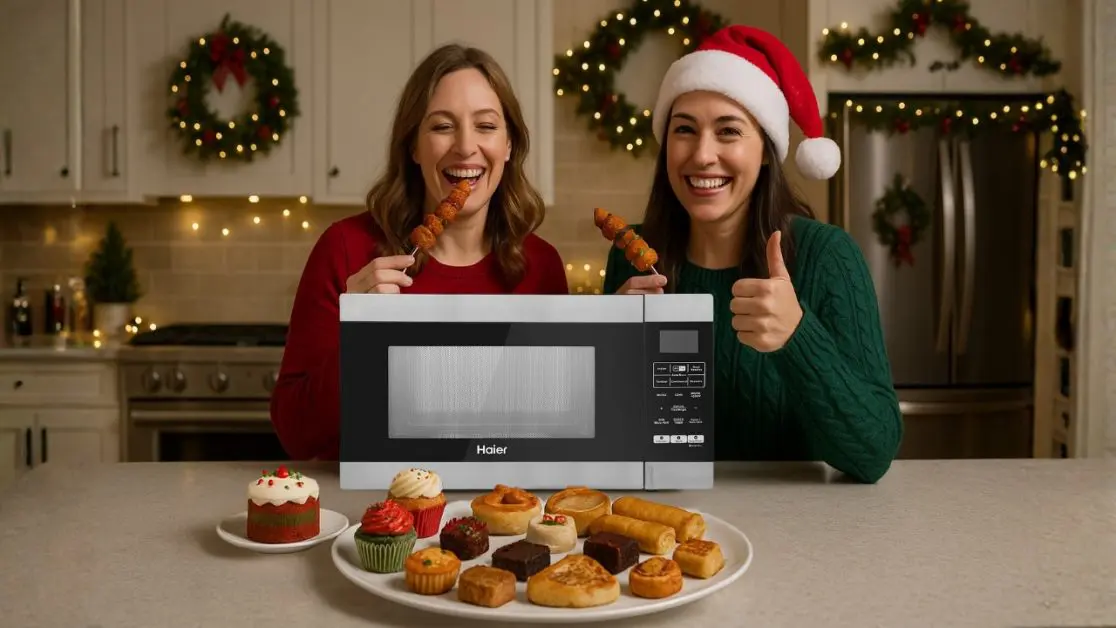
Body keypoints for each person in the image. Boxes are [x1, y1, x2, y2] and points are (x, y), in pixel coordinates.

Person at [602, 25, 902, 483]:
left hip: (799, 533)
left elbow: (874, 453)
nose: (703, 155)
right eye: (685, 130)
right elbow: (614, 444)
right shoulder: (634, 258)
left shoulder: (828, 257)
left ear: (766, 151)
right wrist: (611, 356)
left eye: (729, 132)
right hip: (670, 530)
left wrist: (797, 337)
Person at [272, 44, 569, 461]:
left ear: (508, 146)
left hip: (499, 510)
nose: (465, 147)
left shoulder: (543, 267)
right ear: (413, 146)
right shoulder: (345, 249)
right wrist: (358, 338)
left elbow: (550, 434)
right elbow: (296, 435)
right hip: (368, 511)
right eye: (442, 126)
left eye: (486, 126)